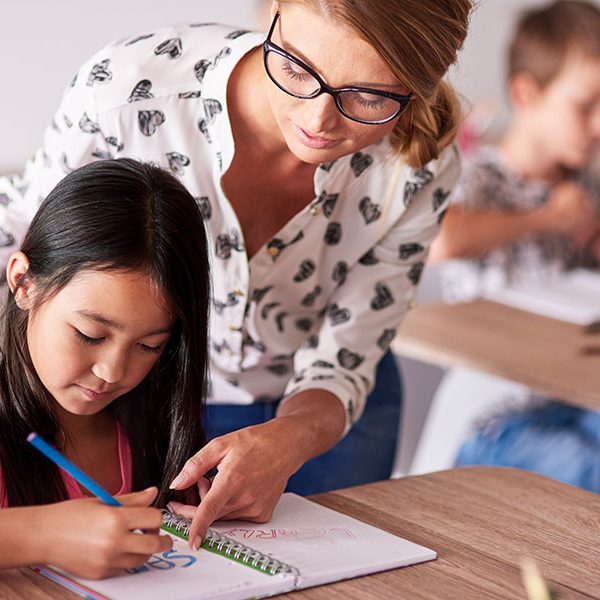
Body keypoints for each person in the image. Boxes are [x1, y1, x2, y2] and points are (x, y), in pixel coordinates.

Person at [0, 0, 472, 547]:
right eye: (297, 69)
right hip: (161, 401)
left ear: (419, 84)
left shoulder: (418, 167)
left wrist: (291, 438)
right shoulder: (130, 90)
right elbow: (31, 232)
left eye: (367, 96)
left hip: (327, 412)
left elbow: (349, 353)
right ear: (271, 12)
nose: (317, 121)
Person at [0, 158, 211, 577]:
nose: (114, 372)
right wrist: (40, 535)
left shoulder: (152, 423)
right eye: (90, 334)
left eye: (150, 346)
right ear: (24, 283)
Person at [429, 0, 600, 492]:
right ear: (527, 93)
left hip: (571, 398)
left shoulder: (585, 188)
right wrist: (547, 217)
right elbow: (441, 240)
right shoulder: (479, 174)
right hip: (495, 415)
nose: (597, 125)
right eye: (585, 106)